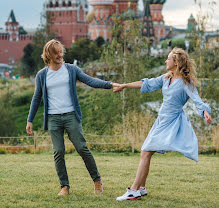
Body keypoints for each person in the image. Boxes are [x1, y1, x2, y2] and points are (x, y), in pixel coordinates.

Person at [113, 47, 212, 201]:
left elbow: (197, 100)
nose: (166, 61)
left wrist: (205, 112)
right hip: (161, 120)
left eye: (168, 58)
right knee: (146, 152)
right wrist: (124, 85)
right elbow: (147, 83)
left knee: (146, 152)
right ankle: (141, 188)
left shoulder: (186, 82)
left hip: (171, 122)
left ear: (176, 62)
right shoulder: (167, 77)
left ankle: (134, 190)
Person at [26, 39, 118, 196]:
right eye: (56, 52)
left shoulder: (71, 69)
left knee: (82, 147)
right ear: (49, 55)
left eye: (61, 51)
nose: (60, 55)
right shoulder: (42, 75)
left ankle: (97, 181)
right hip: (53, 118)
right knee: (58, 151)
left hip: (71, 116)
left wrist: (109, 84)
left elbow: (90, 81)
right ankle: (64, 187)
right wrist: (30, 120)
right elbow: (36, 98)